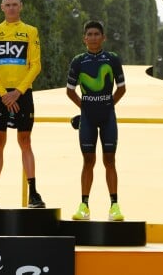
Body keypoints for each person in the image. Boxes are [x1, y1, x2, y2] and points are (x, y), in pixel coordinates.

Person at [0, 0, 45, 209]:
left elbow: (36, 65)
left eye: (15, 4)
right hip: (0, 94)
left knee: (25, 142)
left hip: (22, 94)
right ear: (2, 7)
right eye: (7, 5)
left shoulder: (31, 32)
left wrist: (17, 92)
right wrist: (3, 93)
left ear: (21, 6)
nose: (11, 8)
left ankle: (34, 193)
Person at [66, 20, 126, 221]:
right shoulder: (78, 61)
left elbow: (122, 88)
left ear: (103, 37)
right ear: (84, 39)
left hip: (107, 117)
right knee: (88, 161)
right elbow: (70, 91)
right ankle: (84, 206)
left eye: (96, 34)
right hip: (88, 118)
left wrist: (108, 105)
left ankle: (114, 206)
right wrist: (84, 107)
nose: (92, 37)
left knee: (110, 160)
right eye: (89, 34)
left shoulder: (112, 59)